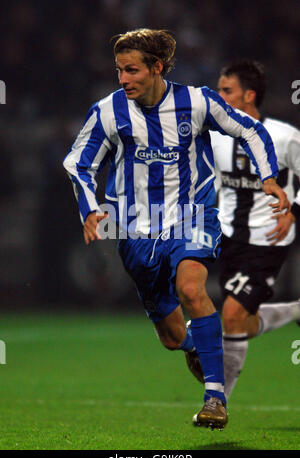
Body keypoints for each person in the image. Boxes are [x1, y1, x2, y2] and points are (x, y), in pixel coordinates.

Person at [63, 30, 289, 429]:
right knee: (169, 336)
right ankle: (192, 343)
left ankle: (215, 399)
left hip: (192, 216)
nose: (123, 79)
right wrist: (90, 208)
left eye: (131, 70)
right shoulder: (108, 111)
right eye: (118, 71)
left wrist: (268, 176)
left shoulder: (197, 101)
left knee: (191, 288)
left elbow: (250, 130)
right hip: (134, 230)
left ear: (157, 68)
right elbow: (78, 163)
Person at [208, 59, 300, 400]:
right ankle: (293, 311)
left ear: (249, 95)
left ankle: (217, 401)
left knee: (231, 315)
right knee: (241, 323)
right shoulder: (215, 137)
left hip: (268, 240)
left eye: (226, 90)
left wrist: (294, 212)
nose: (218, 96)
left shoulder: (283, 136)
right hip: (230, 239)